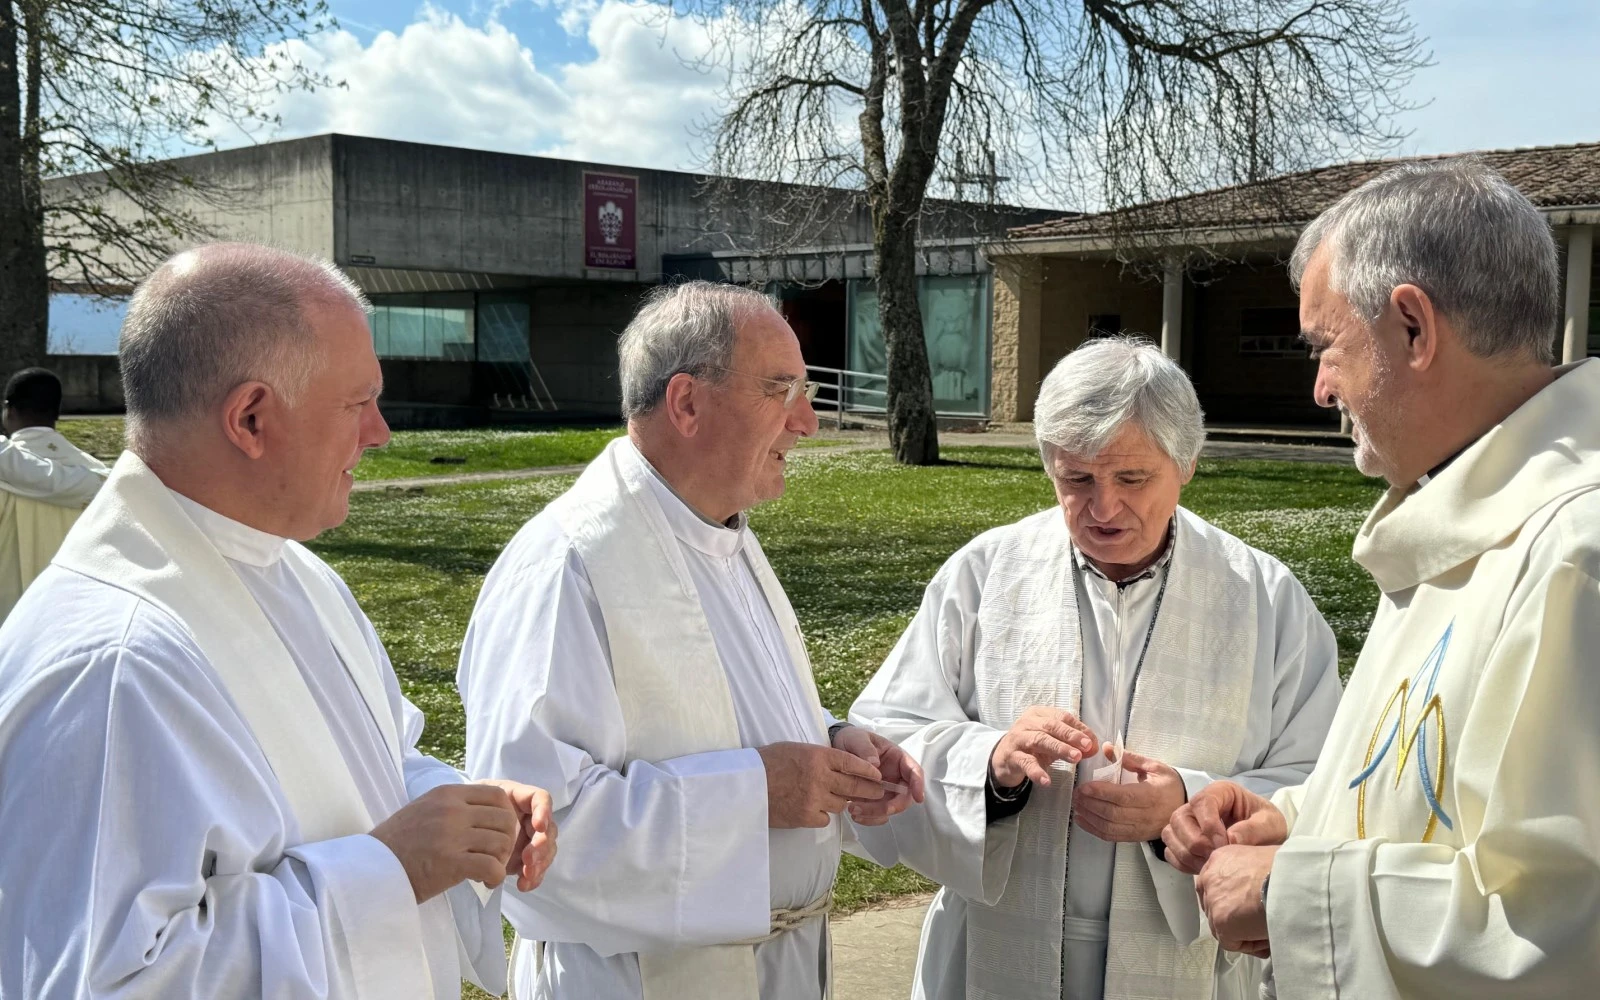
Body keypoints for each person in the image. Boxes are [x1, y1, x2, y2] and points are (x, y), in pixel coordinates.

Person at [0, 243, 557, 999]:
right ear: (252, 418)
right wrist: (390, 871)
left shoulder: (296, 571)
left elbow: (373, 757)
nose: (381, 434)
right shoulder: (114, 661)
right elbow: (107, 980)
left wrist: (464, 811)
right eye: (360, 403)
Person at [1166, 157, 1600, 997]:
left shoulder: (1574, 553)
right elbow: (1437, 810)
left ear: (1412, 327)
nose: (1321, 387)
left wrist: (1291, 892)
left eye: (1327, 347)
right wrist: (1296, 825)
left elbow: (1562, 921)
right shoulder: (1456, 521)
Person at [458, 280, 925, 1000]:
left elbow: (719, 712)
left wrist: (829, 746)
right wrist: (755, 792)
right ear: (687, 404)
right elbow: (532, 838)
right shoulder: (569, 564)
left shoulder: (720, 533)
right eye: (782, 391)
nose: (809, 423)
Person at [848, 337, 1343, 1000]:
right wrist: (990, 764)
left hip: (1183, 964)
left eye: (1132, 479)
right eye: (1075, 480)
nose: (1104, 508)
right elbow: (882, 739)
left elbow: (1328, 782)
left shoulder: (1263, 596)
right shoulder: (986, 574)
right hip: (1000, 948)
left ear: (1187, 462)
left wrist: (1186, 805)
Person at [0, 367, 111, 617]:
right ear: (57, 412)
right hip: (69, 615)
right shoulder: (99, 475)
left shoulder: (7, 465)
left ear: (9, 409)